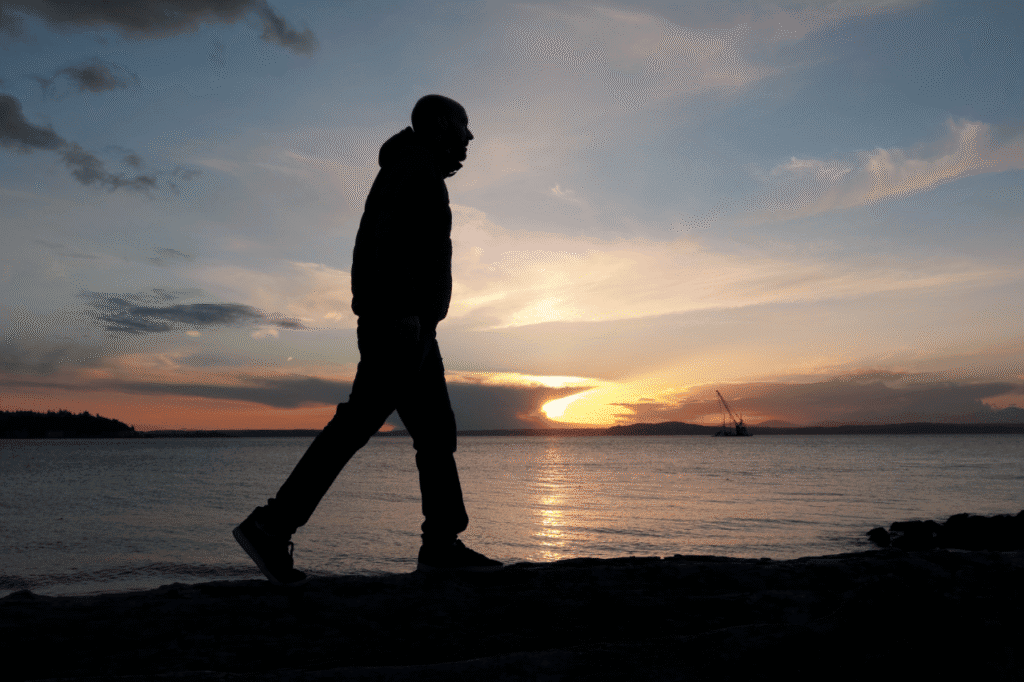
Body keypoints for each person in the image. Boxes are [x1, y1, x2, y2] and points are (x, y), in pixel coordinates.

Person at [233, 95, 501, 585]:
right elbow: (386, 243)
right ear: (440, 126)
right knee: (358, 424)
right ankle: (271, 525)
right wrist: (401, 313)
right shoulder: (412, 170)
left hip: (413, 324)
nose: (469, 137)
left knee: (436, 433)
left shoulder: (417, 170)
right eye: (464, 125)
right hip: (399, 323)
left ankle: (441, 544)